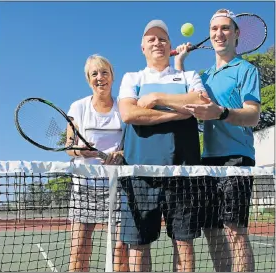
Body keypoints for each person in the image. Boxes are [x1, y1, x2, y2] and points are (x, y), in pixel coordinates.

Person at [118, 19, 210, 272]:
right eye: (151, 39)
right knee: (138, 245)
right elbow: (129, 114)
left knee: (184, 243)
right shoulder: (131, 78)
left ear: (170, 45)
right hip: (139, 174)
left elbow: (201, 103)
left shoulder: (188, 75)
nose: (157, 43)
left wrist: (157, 98)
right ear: (143, 48)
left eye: (162, 39)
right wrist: (178, 113)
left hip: (183, 172)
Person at [175, 9, 261, 272]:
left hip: (237, 158)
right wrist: (180, 62)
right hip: (207, 161)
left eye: (225, 28)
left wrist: (221, 113)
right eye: (214, 29)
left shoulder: (246, 69)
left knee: (235, 231)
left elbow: (253, 115)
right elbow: (183, 94)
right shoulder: (204, 76)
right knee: (212, 230)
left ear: (236, 34)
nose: (219, 33)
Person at [65, 54, 129, 272]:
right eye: (94, 73)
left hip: (117, 187)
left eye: (104, 72)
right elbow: (69, 146)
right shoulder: (78, 107)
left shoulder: (124, 106)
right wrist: (81, 152)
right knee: (80, 248)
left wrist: (120, 153)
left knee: (121, 248)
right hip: (84, 187)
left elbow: (131, 145)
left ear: (112, 76)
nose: (100, 77)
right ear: (88, 79)